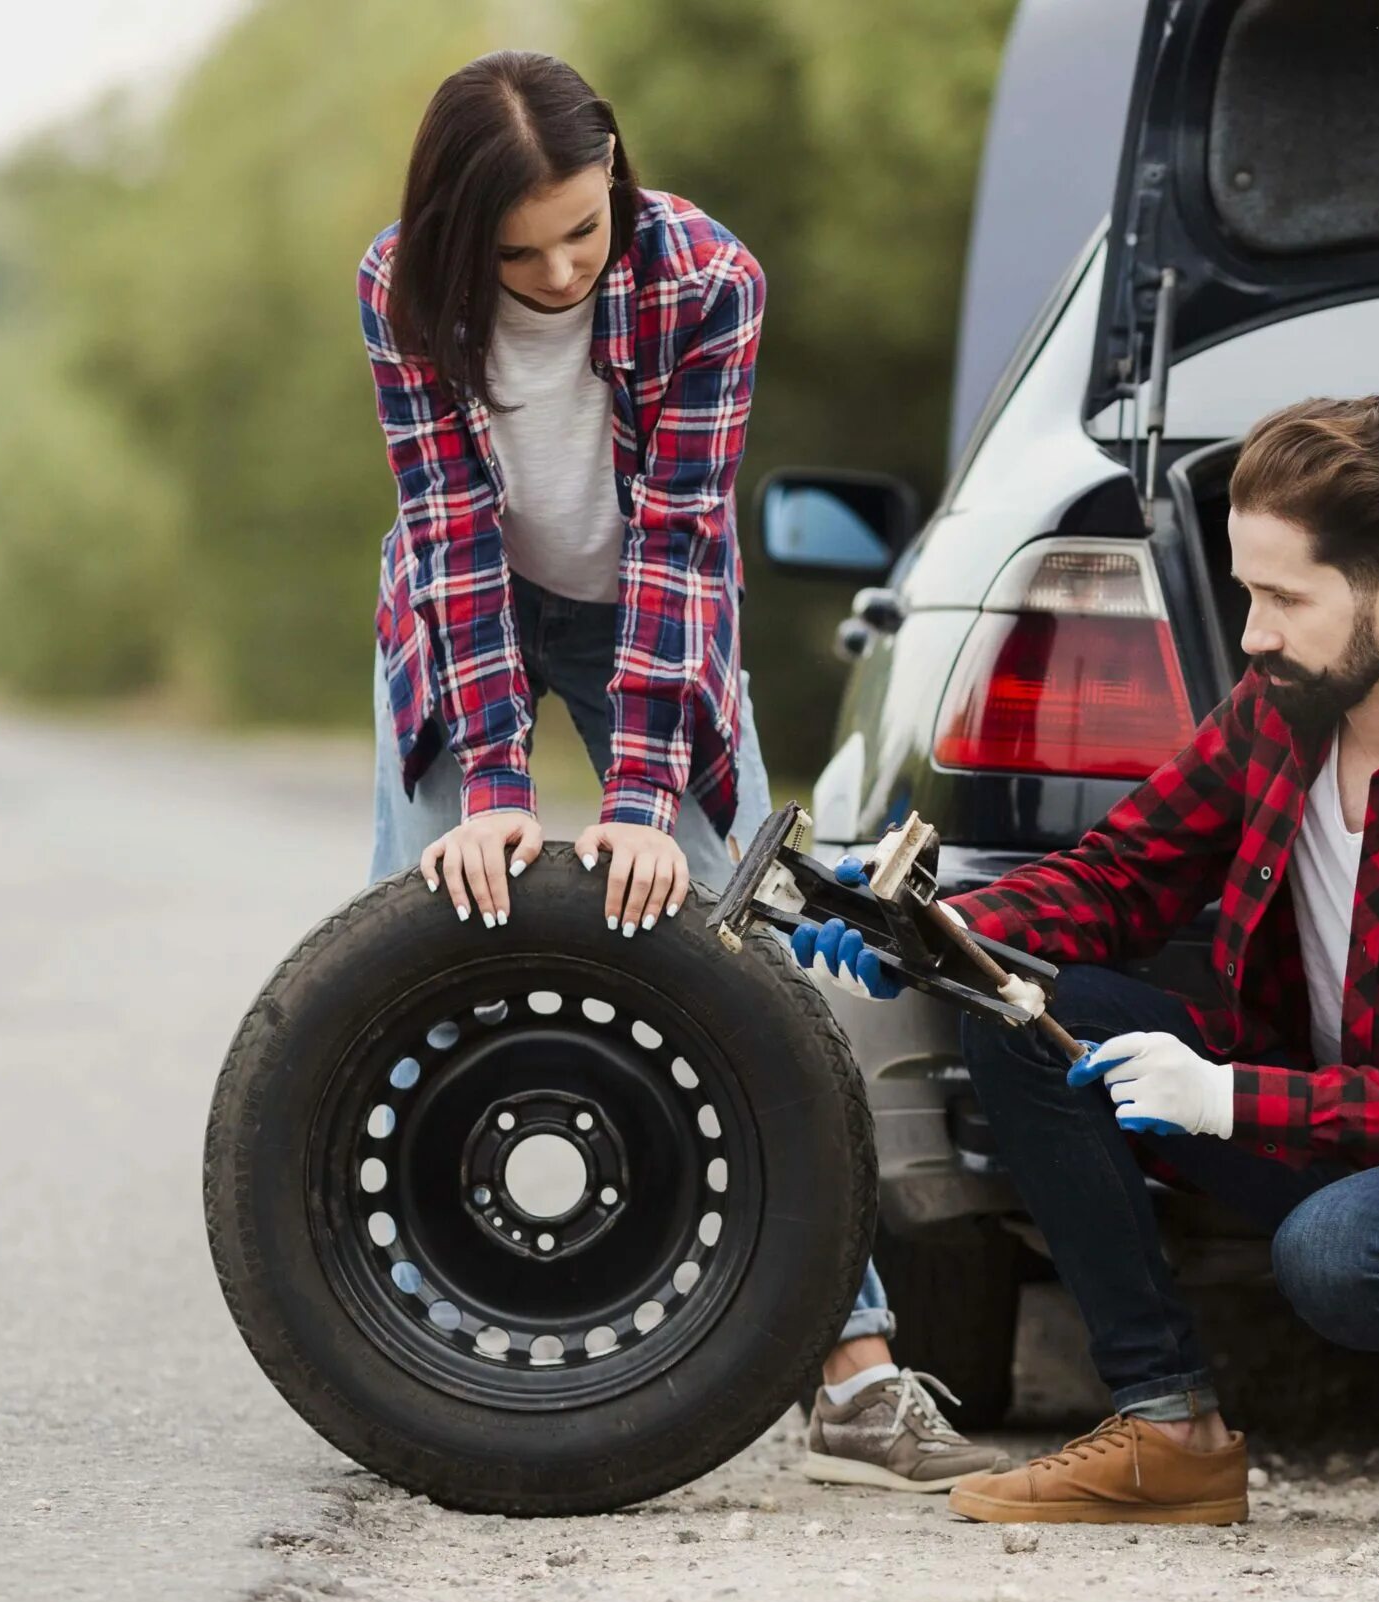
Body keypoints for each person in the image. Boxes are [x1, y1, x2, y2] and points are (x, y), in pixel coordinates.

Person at [797, 395, 1379, 1545]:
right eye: (1248, 591)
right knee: (1022, 1013)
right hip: (1330, 1115)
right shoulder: (1289, 704)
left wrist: (1221, 1098)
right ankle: (1170, 1435)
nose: (1252, 632)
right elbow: (1121, 878)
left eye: (1283, 598)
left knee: (1340, 1255)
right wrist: (929, 924)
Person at [358, 50, 993, 1493]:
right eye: (519, 252)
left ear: (616, 179)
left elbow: (682, 535)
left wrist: (643, 794)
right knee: (411, 938)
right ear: (461, 237)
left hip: (659, 611)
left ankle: (854, 1367)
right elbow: (449, 524)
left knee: (737, 946)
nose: (561, 267)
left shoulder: (708, 279)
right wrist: (499, 786)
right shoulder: (402, 288)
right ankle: (393, 1348)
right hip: (469, 612)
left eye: (582, 228)